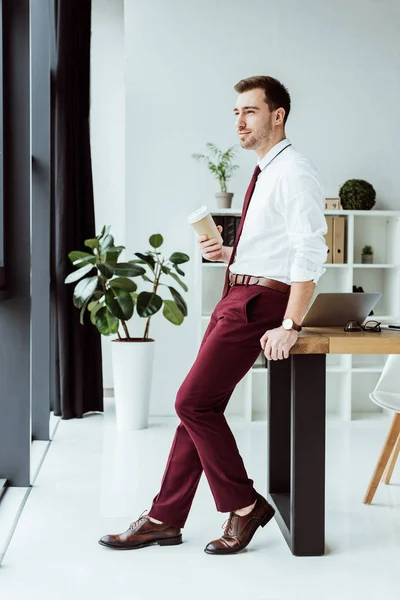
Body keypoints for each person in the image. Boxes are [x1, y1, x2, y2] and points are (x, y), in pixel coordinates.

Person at [99, 75, 328, 555]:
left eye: (250, 111)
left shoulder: (294, 172)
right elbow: (275, 245)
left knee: (191, 403)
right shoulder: (267, 170)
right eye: (236, 113)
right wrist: (231, 254)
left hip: (257, 305)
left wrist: (290, 324)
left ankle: (245, 505)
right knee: (198, 408)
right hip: (238, 291)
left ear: (277, 115)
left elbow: (310, 250)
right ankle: (165, 516)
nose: (240, 121)